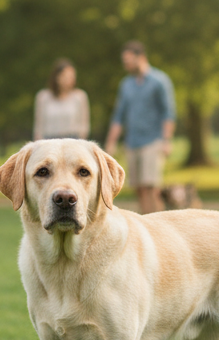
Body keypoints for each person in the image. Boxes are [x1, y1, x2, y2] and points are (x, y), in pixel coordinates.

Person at [103, 40, 176, 214]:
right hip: (132, 142)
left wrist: (167, 140)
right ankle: (146, 223)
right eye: (124, 61)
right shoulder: (126, 85)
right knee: (139, 188)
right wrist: (110, 144)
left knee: (151, 187)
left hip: (153, 141)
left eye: (129, 60)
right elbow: (118, 116)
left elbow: (168, 113)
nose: (126, 64)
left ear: (140, 57)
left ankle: (157, 226)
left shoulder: (159, 81)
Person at [33, 58, 90, 141]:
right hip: (48, 141)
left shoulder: (80, 96)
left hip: (73, 141)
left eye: (72, 76)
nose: (70, 79)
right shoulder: (43, 97)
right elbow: (38, 128)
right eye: (66, 76)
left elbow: (84, 127)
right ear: (57, 77)